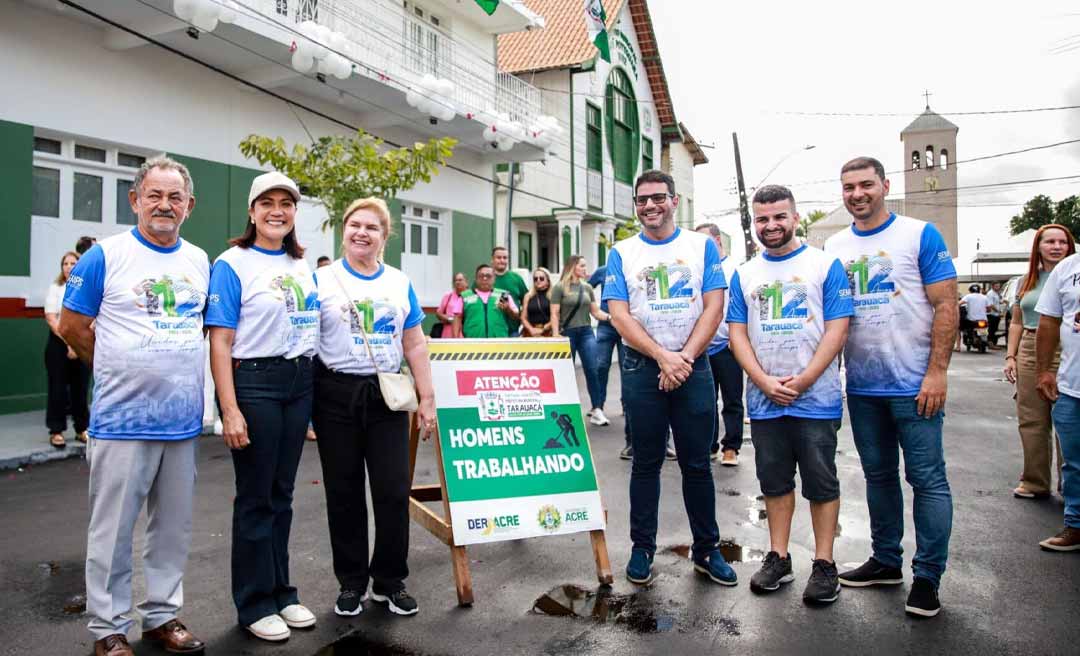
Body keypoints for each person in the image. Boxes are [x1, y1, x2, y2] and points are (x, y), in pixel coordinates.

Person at [59, 157, 209, 656]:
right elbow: (72, 326)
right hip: (121, 421)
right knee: (113, 532)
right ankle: (108, 629)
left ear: (188, 207)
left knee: (171, 530)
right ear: (135, 200)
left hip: (182, 423)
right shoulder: (105, 256)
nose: (164, 205)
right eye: (154, 195)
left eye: (175, 198)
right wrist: (115, 371)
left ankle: (162, 617)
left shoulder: (199, 260)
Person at [824, 156, 958, 618]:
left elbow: (946, 305)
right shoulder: (835, 244)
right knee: (878, 477)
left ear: (885, 185)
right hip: (863, 387)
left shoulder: (920, 234)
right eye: (848, 187)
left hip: (915, 384)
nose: (857, 194)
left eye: (865, 185)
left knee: (926, 480)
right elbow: (834, 318)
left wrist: (937, 371)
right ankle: (886, 561)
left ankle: (927, 577)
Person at [603, 169, 734, 587]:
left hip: (693, 368)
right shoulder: (621, 253)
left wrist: (685, 358)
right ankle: (642, 548)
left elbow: (715, 306)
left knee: (698, 465)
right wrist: (663, 357)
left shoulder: (700, 247)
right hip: (643, 369)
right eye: (642, 200)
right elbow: (619, 315)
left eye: (658, 198)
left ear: (675, 201)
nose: (650, 206)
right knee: (646, 463)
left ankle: (707, 550)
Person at [205, 172, 318, 641]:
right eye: (267, 202)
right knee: (255, 498)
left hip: (299, 382)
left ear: (294, 213)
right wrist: (228, 408)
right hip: (255, 383)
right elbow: (221, 339)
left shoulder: (301, 265)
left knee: (283, 495)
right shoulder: (232, 263)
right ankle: (253, 603)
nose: (277, 210)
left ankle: (281, 592)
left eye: (286, 203)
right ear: (251, 212)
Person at [727, 185, 853, 604]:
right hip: (764, 401)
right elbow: (737, 334)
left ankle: (824, 563)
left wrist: (804, 379)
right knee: (774, 482)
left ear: (796, 218)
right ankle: (778, 557)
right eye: (762, 219)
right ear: (754, 222)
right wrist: (763, 381)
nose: (771, 225)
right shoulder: (744, 274)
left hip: (816, 399)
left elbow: (837, 329)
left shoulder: (824, 265)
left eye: (779, 217)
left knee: (820, 480)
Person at [312, 197, 437, 618]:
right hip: (335, 394)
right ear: (343, 229)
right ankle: (351, 583)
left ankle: (389, 581)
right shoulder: (321, 280)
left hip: (387, 396)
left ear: (385, 237)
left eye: (372, 227)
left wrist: (427, 399)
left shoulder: (399, 282)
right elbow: (307, 344)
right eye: (355, 225)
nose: (362, 233)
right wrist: (309, 410)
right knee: (343, 492)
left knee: (392, 491)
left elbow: (414, 342)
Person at [1003, 225, 1074, 499]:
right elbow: (1017, 322)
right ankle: (1035, 481)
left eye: (1063, 242)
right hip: (1030, 347)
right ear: (1038, 247)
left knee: (1069, 418)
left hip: (1067, 346)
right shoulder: (1025, 281)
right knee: (1032, 418)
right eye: (1050, 242)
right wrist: (1011, 356)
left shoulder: (1074, 276)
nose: (1057, 247)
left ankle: (1071, 484)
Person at [1033, 250, 1080, 551]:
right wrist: (1044, 371)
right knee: (1074, 464)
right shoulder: (1068, 268)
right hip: (1073, 388)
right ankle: (1076, 525)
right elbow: (1049, 322)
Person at [695, 223, 744, 465]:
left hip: (728, 345)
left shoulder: (735, 269)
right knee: (706, 401)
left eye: (705, 241)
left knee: (732, 399)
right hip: (702, 346)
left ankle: (731, 447)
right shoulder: (697, 268)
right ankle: (710, 444)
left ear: (717, 241)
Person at [551, 255, 610, 425]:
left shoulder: (587, 288)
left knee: (593, 369)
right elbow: (554, 313)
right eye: (582, 266)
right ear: (573, 267)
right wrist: (556, 334)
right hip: (567, 333)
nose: (585, 269)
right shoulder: (560, 288)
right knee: (565, 372)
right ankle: (562, 409)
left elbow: (596, 312)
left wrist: (612, 318)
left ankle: (597, 409)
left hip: (586, 332)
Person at [44, 251, 90, 449]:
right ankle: (56, 431)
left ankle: (82, 429)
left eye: (73, 263)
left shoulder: (87, 288)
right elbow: (51, 318)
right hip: (58, 345)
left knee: (80, 389)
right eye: (66, 263)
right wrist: (69, 343)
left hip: (82, 344)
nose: (69, 266)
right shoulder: (56, 288)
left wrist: (78, 345)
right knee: (58, 388)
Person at [454, 264, 518, 338]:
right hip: (472, 343)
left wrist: (508, 309)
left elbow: (516, 317)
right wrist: (455, 340)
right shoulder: (465, 296)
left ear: (494, 278)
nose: (484, 278)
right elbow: (457, 318)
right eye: (481, 276)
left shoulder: (503, 295)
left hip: (499, 343)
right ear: (476, 278)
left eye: (488, 276)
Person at [492, 246, 527, 336]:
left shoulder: (516, 279)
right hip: (491, 331)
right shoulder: (485, 279)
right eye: (499, 257)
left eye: (505, 258)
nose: (502, 260)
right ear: (492, 259)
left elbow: (527, 302)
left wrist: (524, 322)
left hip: (513, 330)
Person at [520, 267, 553, 337]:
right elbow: (523, 317)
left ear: (548, 280)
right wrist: (531, 329)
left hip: (548, 332)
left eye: (541, 278)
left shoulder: (553, 295)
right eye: (535, 279)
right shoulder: (528, 296)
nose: (538, 280)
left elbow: (557, 315)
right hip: (530, 332)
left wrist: (543, 329)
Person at [434, 272, 468, 338]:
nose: (458, 282)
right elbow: (438, 313)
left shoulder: (471, 296)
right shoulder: (448, 296)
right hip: (448, 333)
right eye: (456, 280)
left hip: (465, 334)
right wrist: (451, 319)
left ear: (466, 282)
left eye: (460, 280)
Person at [959, 284, 989, 350]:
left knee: (964, 327)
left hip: (971, 320)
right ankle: (983, 339)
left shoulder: (968, 296)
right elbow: (988, 308)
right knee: (986, 328)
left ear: (970, 290)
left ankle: (968, 338)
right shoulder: (985, 297)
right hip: (983, 319)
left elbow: (960, 303)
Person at [986, 281, 1004, 348]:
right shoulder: (990, 294)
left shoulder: (996, 293)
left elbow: (997, 302)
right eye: (996, 286)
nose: (998, 287)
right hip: (992, 315)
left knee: (994, 329)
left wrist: (1002, 302)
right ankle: (990, 344)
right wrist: (999, 311)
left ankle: (993, 343)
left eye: (999, 286)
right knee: (991, 330)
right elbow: (991, 305)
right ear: (992, 286)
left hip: (996, 315)